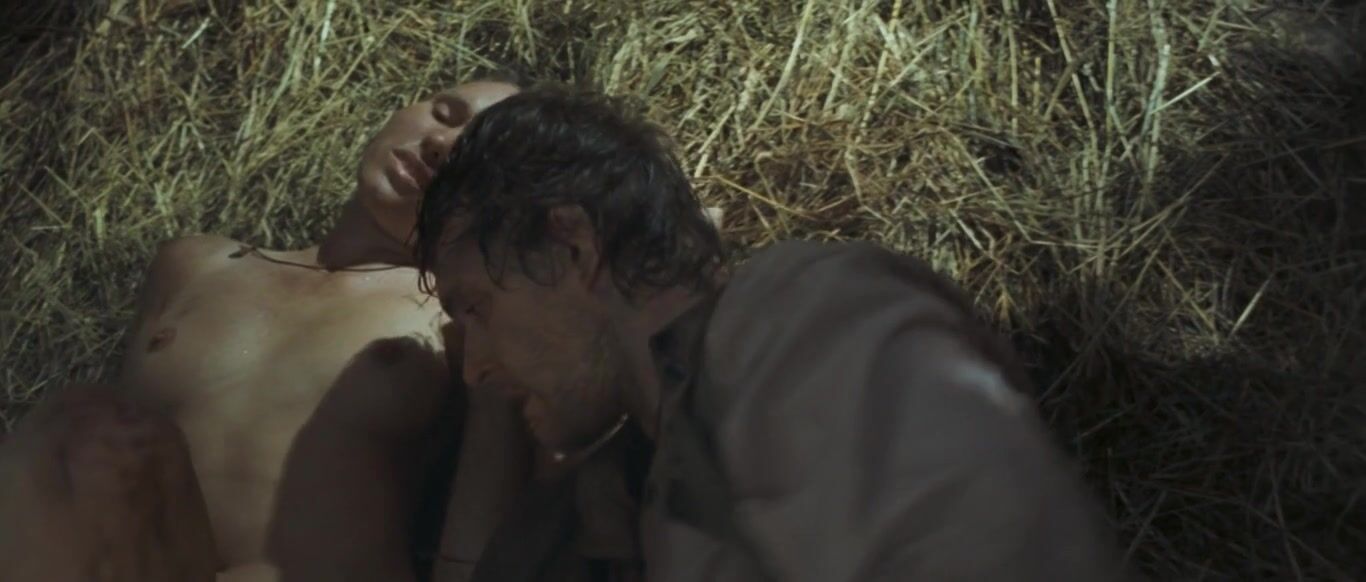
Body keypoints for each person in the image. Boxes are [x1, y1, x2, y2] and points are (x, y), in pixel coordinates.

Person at [415, 85, 1136, 582]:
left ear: (570, 245)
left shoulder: (800, 319)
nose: (474, 368)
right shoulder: (604, 503)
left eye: (475, 307)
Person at [0, 79, 533, 582]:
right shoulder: (195, 266)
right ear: (400, 109)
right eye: (443, 113)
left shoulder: (464, 317)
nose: (442, 144)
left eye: (477, 159)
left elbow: (486, 508)